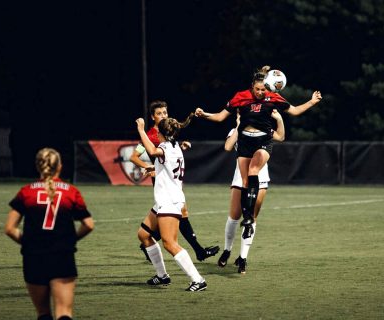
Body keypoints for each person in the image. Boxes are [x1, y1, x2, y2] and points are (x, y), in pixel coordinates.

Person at [195, 65, 322, 238]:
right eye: (257, 89)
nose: (261, 92)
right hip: (246, 140)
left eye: (263, 89)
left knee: (254, 170)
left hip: (264, 140)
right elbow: (220, 116)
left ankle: (248, 218)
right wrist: (204, 114)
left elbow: (294, 111)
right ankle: (247, 218)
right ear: (251, 87)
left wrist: (312, 102)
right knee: (245, 183)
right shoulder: (241, 97)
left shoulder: (273, 96)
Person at [4, 148, 94, 320]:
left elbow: (9, 228)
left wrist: (28, 242)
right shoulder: (71, 191)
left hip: (33, 257)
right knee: (64, 313)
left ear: (38, 166)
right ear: (59, 166)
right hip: (62, 255)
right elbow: (88, 225)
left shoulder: (26, 192)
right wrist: (70, 240)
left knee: (43, 315)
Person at [131, 100, 219, 262]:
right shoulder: (150, 135)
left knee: (177, 215)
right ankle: (198, 251)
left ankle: (150, 243)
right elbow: (134, 157)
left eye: (165, 112)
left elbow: (167, 152)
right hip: (164, 183)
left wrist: (181, 146)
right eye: (159, 113)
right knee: (178, 215)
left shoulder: (168, 131)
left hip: (172, 181)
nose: (163, 115)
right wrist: (150, 166)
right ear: (152, 117)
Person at [136, 114, 207, 292]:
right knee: (144, 235)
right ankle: (162, 276)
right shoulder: (174, 147)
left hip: (170, 200)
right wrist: (153, 168)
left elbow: (152, 152)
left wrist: (141, 130)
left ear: (162, 134)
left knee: (169, 243)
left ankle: (198, 280)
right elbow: (166, 164)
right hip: (164, 199)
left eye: (158, 132)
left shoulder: (165, 147)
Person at [217, 110, 285, 273]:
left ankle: (243, 258)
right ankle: (227, 250)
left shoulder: (263, 128)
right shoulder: (236, 131)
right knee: (234, 216)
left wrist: (280, 119)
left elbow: (281, 137)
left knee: (251, 218)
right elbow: (227, 146)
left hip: (259, 179)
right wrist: (239, 126)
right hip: (240, 178)